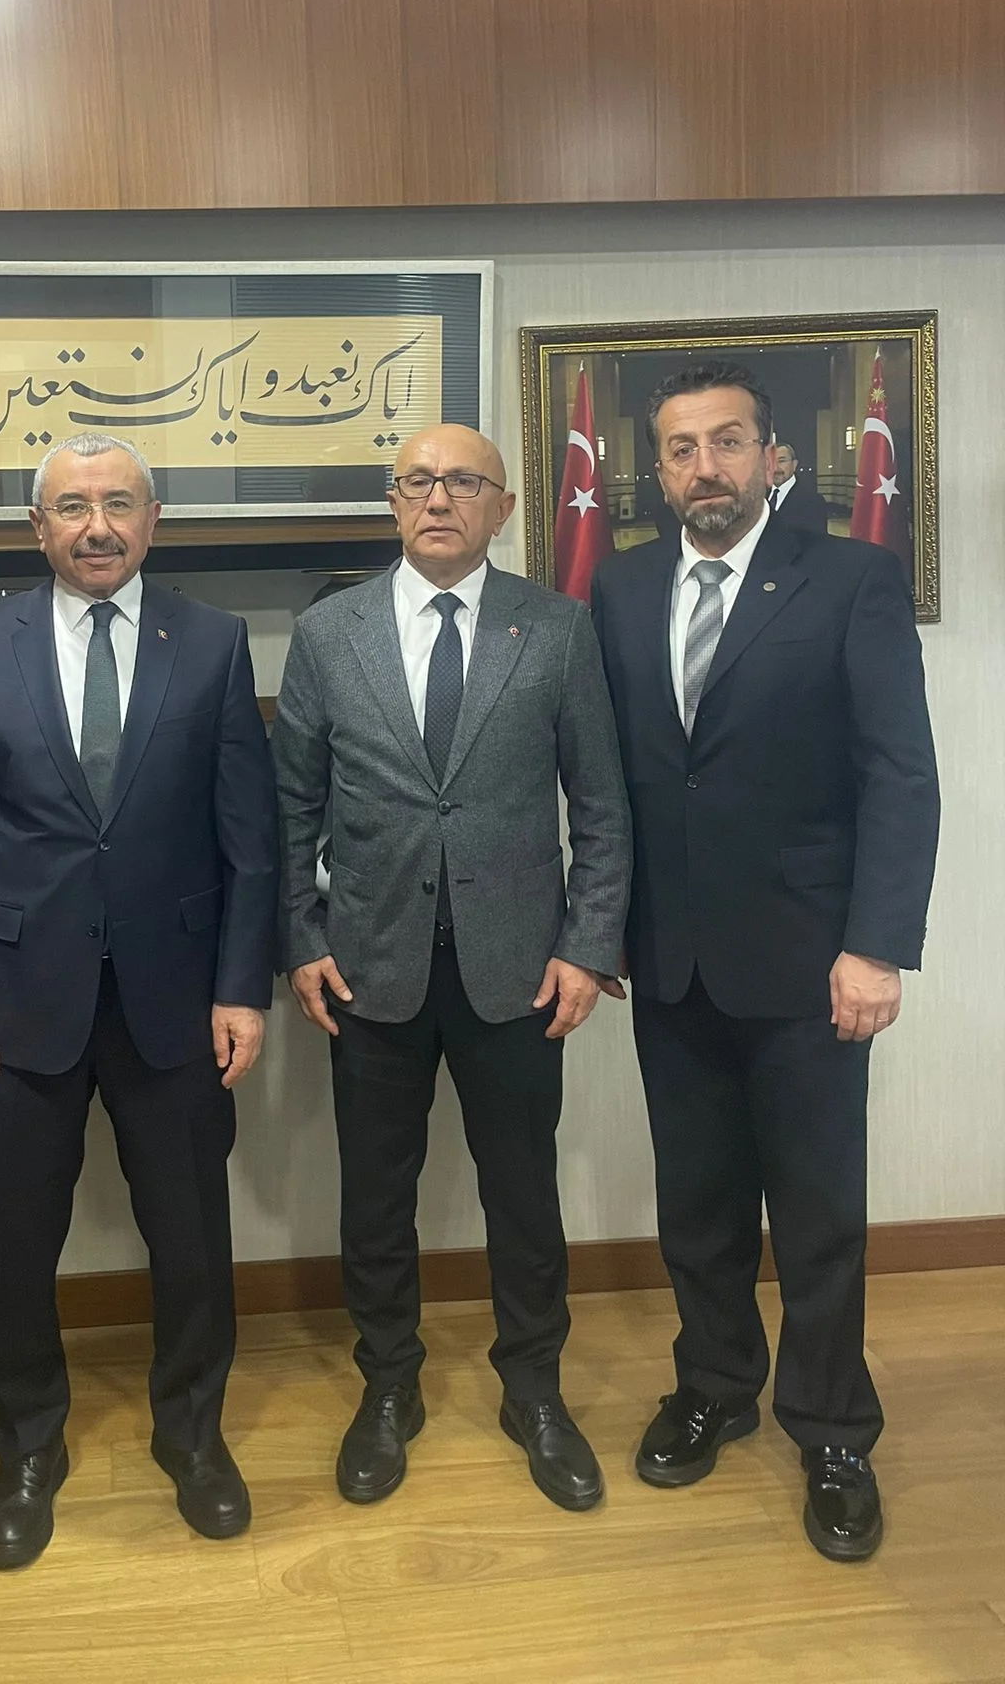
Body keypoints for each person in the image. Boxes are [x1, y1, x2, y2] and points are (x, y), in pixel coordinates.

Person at [588, 361, 940, 1564]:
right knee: (697, 1205)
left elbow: (900, 773)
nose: (706, 467)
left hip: (810, 961)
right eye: (682, 447)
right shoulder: (622, 587)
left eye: (728, 441)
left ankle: (834, 1429)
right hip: (670, 955)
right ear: (658, 468)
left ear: (772, 455)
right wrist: (603, 921)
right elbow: (617, 776)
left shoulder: (849, 580)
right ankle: (716, 1383)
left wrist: (877, 945)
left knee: (818, 1214)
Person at [0, 432, 277, 1570]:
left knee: (192, 1235)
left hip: (178, 995)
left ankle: (193, 1434)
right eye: (72, 506)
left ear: (153, 521)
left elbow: (250, 836)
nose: (98, 526)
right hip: (17, 1001)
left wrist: (242, 987)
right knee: (15, 1244)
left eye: (120, 503)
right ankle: (27, 1448)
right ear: (38, 529)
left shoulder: (213, 642)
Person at [270, 423, 631, 1514]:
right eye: (419, 481)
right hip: (367, 967)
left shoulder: (556, 628)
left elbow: (603, 806)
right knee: (376, 1198)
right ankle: (389, 1386)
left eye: (464, 482)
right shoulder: (328, 632)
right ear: (393, 500)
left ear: (503, 506)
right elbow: (289, 805)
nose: (439, 499)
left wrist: (587, 944)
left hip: (518, 972)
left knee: (523, 1192)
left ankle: (534, 1389)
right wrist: (301, 938)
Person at [767, 441, 830, 534]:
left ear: (794, 464)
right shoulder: (759, 496)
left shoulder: (813, 501)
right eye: (771, 462)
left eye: (781, 461)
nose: (775, 468)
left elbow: (817, 541)